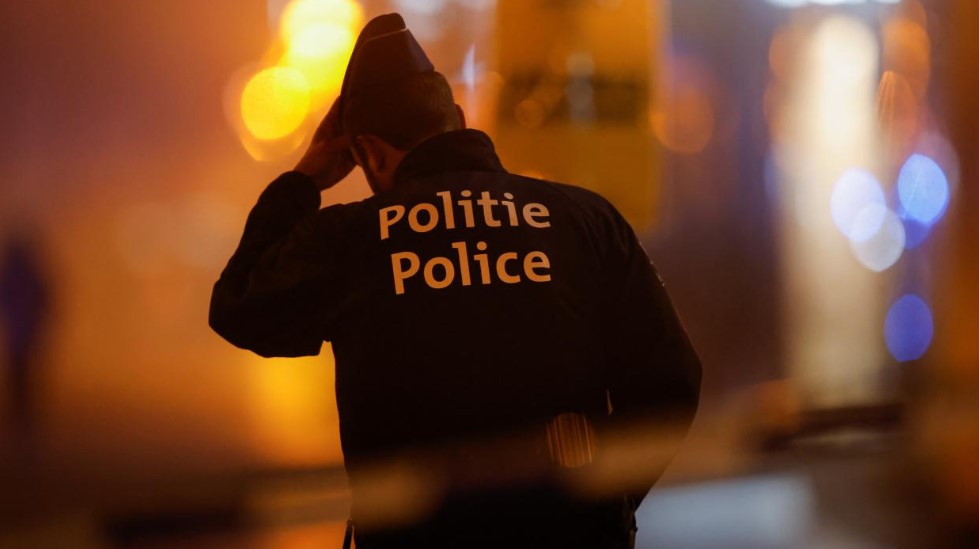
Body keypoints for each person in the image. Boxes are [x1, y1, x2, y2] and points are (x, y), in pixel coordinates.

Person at [210, 13, 701, 549]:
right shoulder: (582, 218)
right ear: (459, 120)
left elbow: (240, 307)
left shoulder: (350, 238)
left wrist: (305, 178)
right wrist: (606, 501)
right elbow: (671, 378)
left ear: (366, 152)